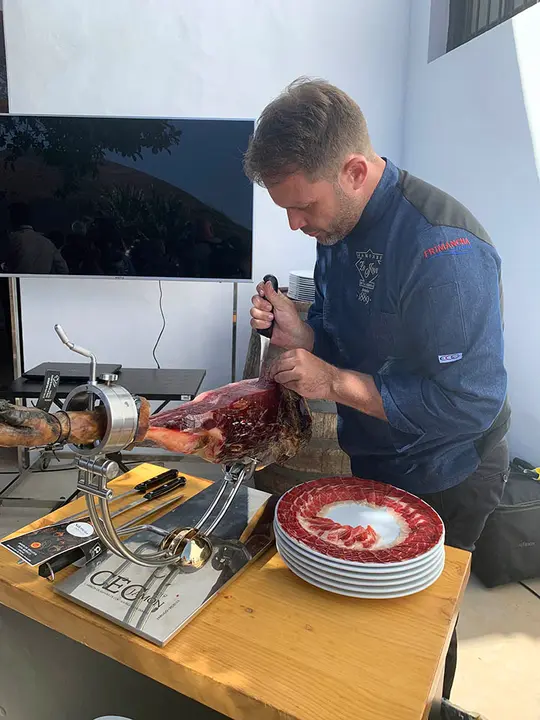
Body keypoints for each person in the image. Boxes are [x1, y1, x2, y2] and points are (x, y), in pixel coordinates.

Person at [245, 78, 510, 712]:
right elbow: (344, 332)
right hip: (379, 457)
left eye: (302, 206)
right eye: (285, 209)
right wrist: (302, 330)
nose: (295, 224)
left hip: (448, 470)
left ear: (355, 170)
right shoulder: (338, 229)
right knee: (361, 622)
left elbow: (466, 403)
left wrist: (332, 383)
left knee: (416, 634)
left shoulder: (444, 250)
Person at [5, 202, 68, 274]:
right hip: (42, 283)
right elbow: (63, 270)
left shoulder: (11, 240)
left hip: (16, 283)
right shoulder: (48, 243)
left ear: (13, 218)